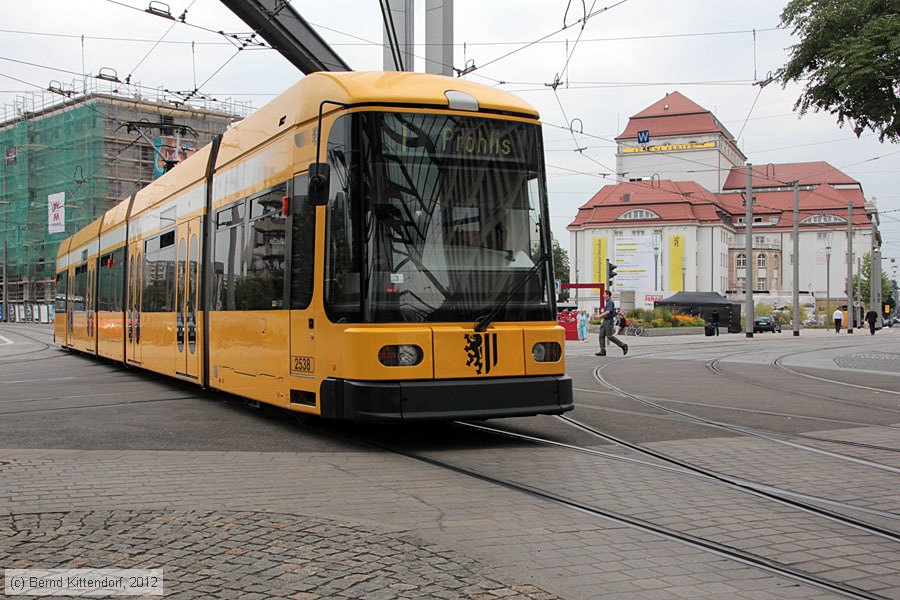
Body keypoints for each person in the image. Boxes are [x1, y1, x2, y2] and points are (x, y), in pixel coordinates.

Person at [595, 290, 628, 357]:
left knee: (609, 336)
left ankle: (623, 345)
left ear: (608, 295)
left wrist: (599, 316)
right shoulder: (607, 302)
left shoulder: (610, 302)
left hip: (609, 320)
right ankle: (602, 351)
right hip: (605, 320)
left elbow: (608, 311)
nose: (603, 295)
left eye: (604, 294)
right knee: (601, 335)